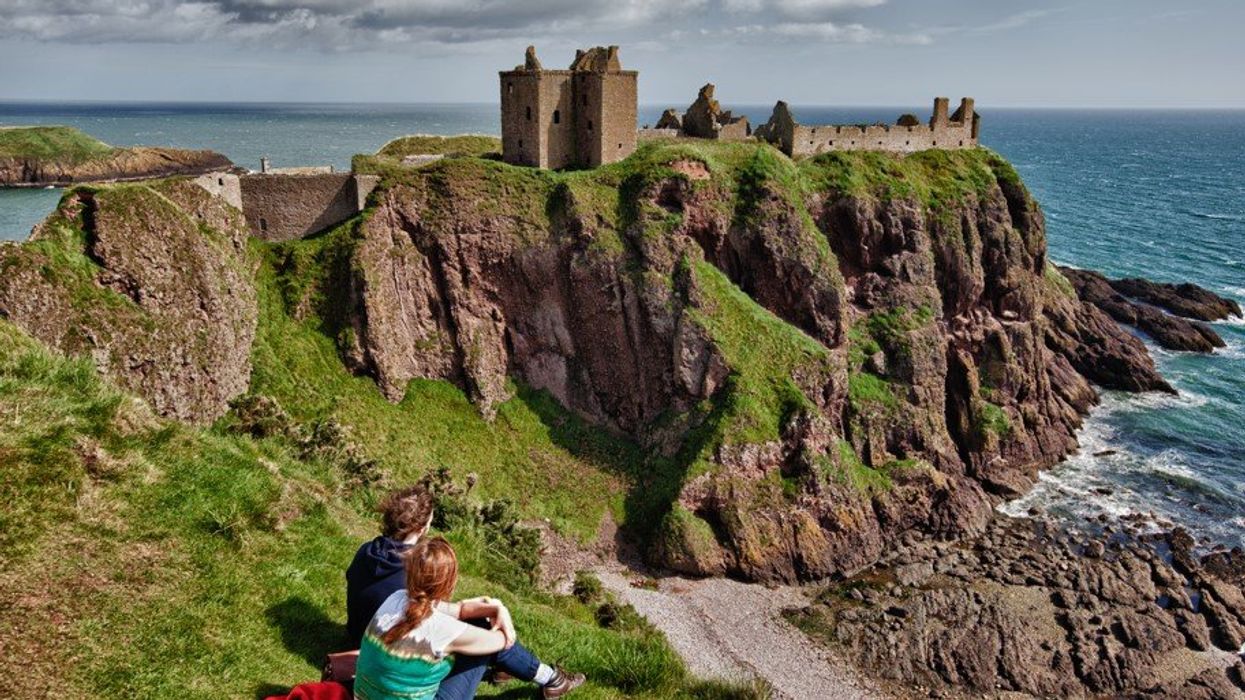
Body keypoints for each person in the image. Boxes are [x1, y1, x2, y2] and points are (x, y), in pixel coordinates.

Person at [346, 486, 582, 698]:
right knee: (483, 628)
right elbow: (499, 640)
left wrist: (487, 607)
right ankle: (550, 678)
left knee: (475, 622)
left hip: (370, 641)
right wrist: (501, 612)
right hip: (399, 646)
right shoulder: (432, 616)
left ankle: (533, 674)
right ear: (422, 526)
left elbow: (432, 608)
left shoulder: (370, 555)